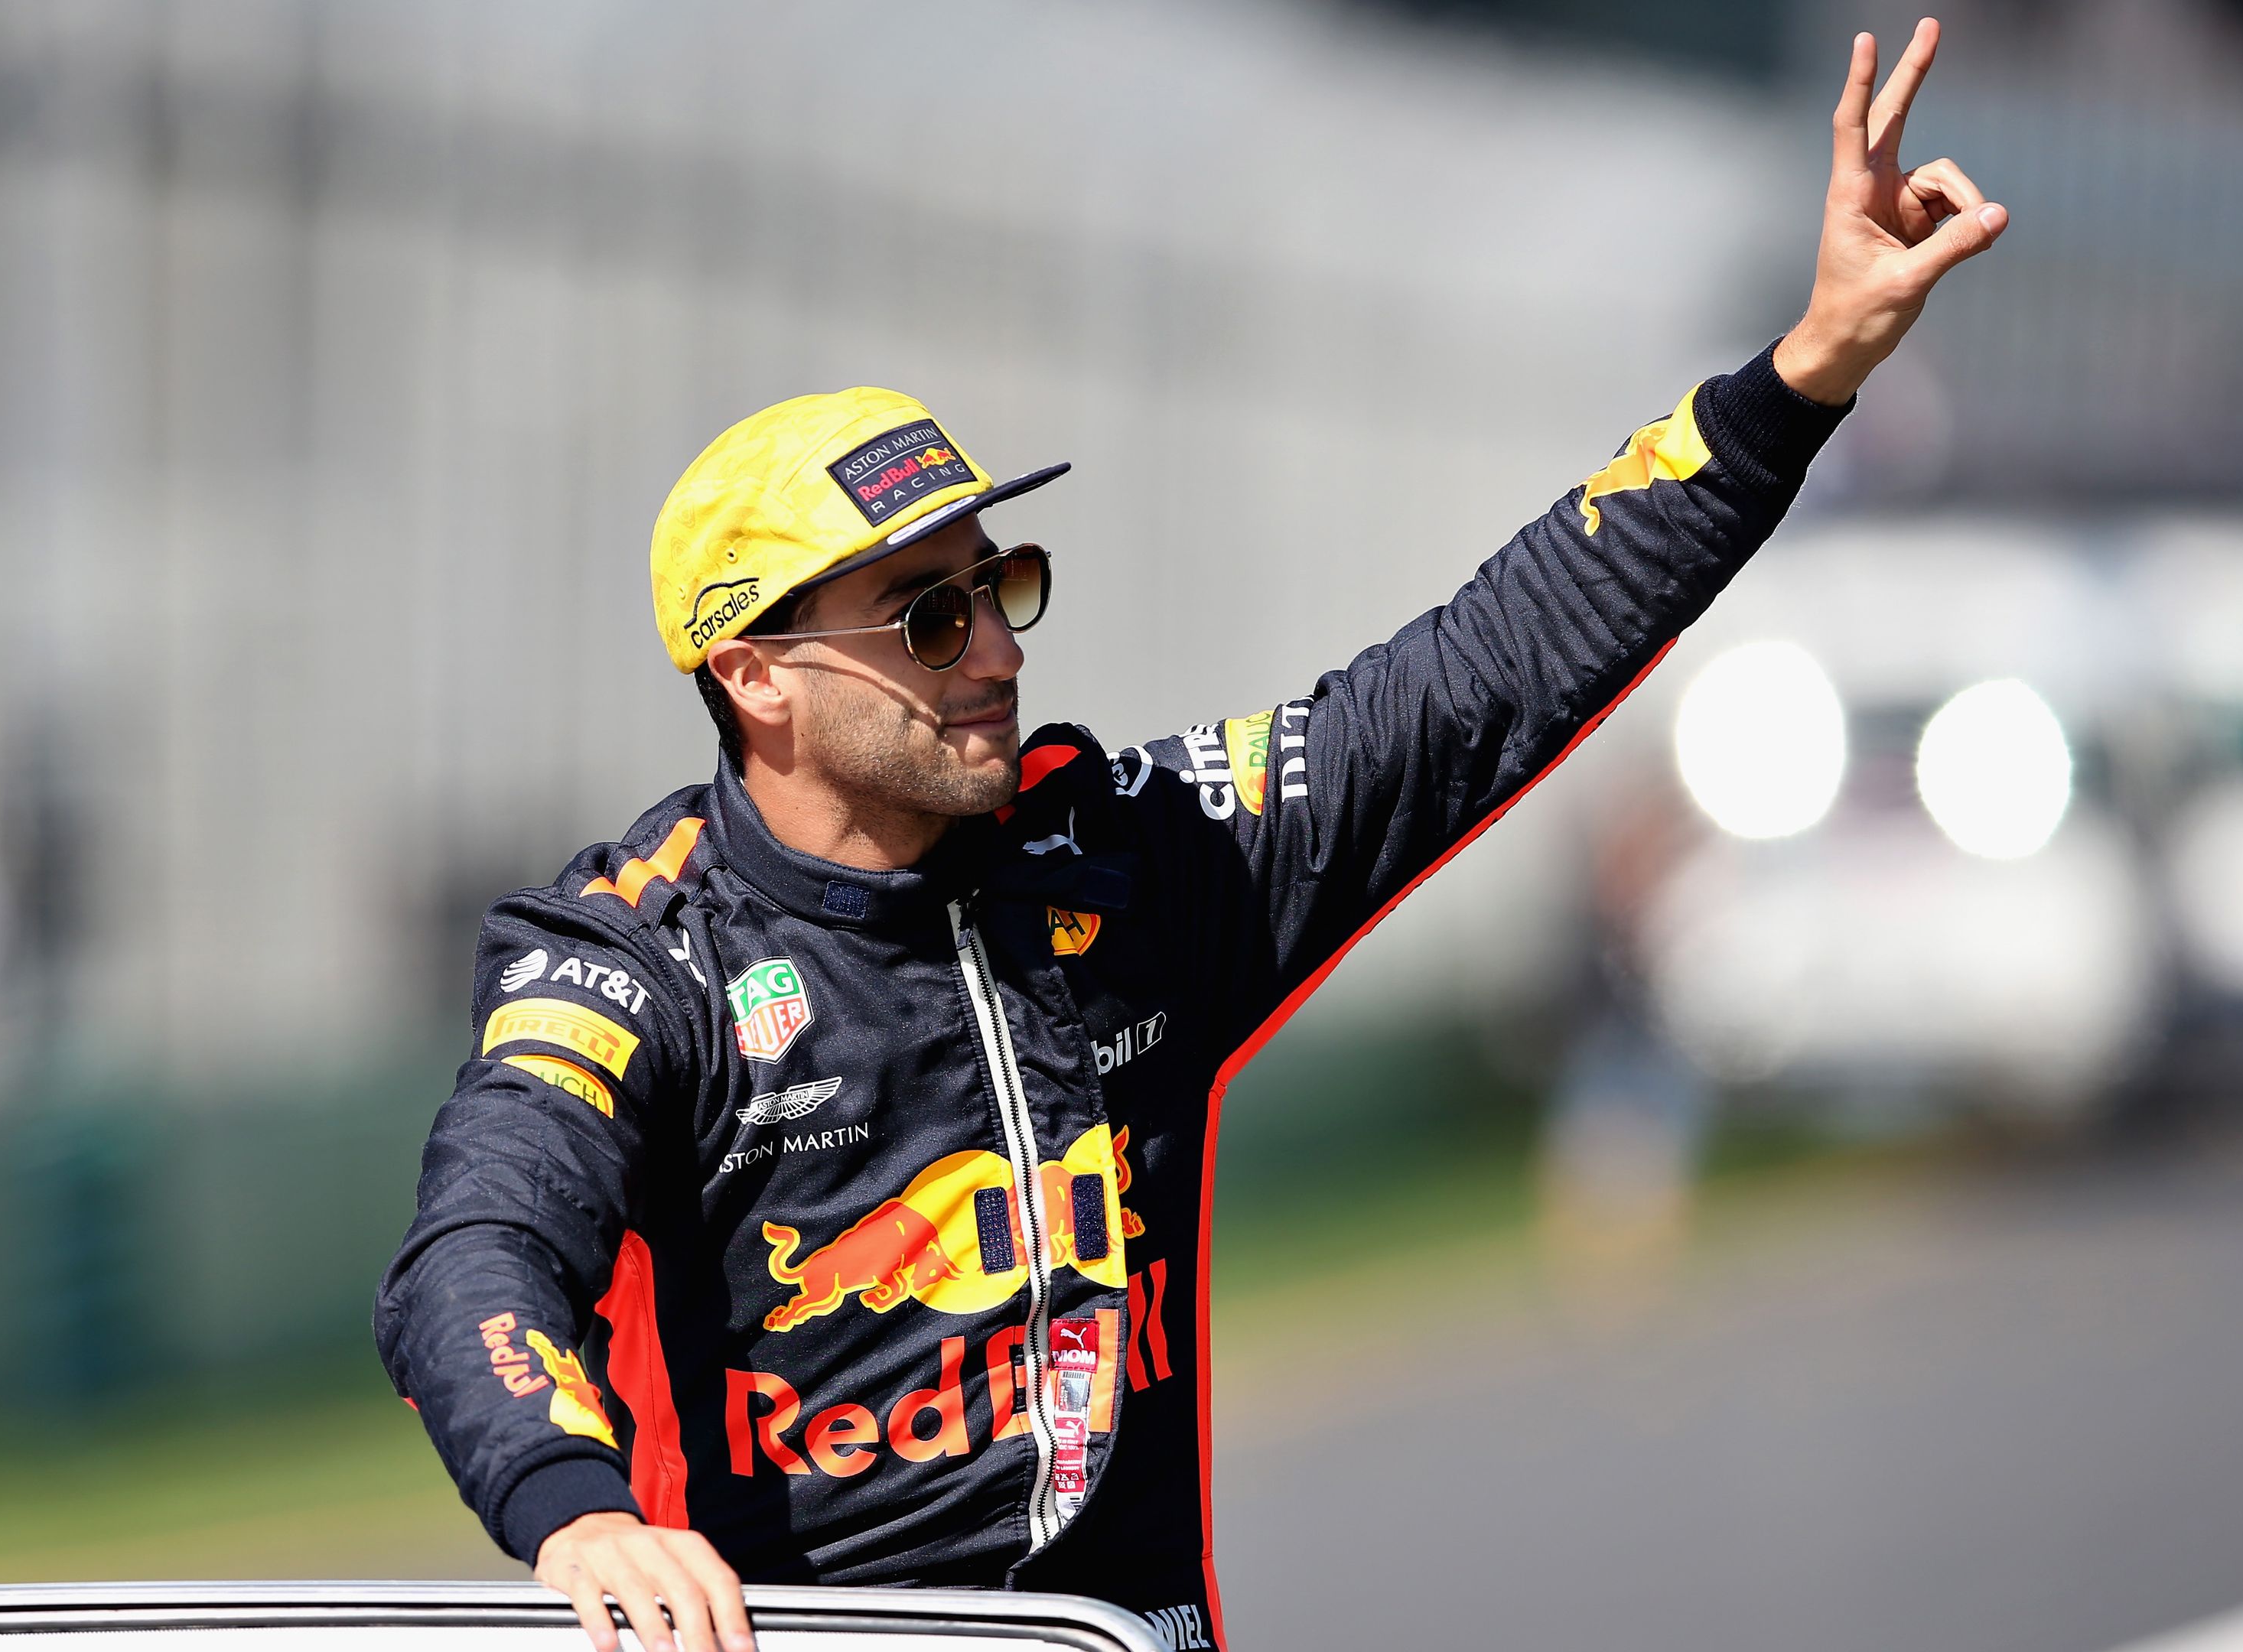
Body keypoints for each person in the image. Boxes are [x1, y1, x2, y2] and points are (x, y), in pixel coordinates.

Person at [376, 21, 2003, 1652]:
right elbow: (480, 1252)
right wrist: (573, 1508)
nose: (999, 650)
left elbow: (1486, 671)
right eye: (928, 618)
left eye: (999, 589)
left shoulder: (1141, 862)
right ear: (755, 676)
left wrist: (1802, 379)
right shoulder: (633, 961)